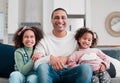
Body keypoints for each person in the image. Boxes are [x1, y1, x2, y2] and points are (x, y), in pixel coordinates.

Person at [34, 8, 93, 83]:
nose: (60, 21)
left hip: (71, 72)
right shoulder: (43, 40)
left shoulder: (76, 37)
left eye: (63, 17)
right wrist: (50, 58)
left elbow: (89, 53)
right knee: (43, 66)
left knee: (86, 67)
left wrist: (68, 59)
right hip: (52, 74)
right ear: (51, 21)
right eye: (56, 18)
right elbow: (36, 64)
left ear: (67, 20)